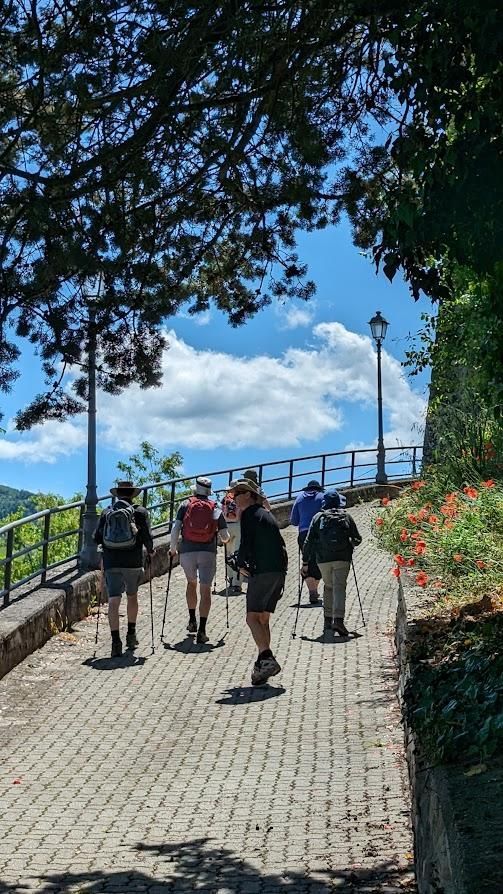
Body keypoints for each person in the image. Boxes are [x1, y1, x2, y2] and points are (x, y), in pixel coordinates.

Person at [231, 478, 288, 686]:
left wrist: (238, 563)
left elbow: (246, 543)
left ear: (248, 495)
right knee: (263, 619)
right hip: (278, 571)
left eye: (237, 494)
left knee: (252, 618)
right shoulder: (266, 514)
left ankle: (266, 658)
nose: (234, 498)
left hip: (262, 572)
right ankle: (262, 664)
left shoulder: (249, 514)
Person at [94, 480, 155, 657]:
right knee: (132, 596)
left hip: (112, 561)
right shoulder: (140, 512)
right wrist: (150, 551)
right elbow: (146, 537)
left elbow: (96, 538)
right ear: (132, 495)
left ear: (117, 494)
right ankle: (131, 633)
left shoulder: (107, 512)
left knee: (113, 600)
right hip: (133, 561)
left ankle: (115, 642)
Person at [169, 476, 229, 644]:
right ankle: (202, 630)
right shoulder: (215, 507)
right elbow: (224, 536)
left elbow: (175, 529)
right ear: (209, 491)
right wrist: (225, 540)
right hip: (208, 552)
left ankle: (191, 620)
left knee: (191, 583)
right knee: (205, 589)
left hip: (187, 551)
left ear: (195, 489)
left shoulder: (185, 504)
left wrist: (173, 549)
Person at [301, 490, 362, 636]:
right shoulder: (346, 516)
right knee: (339, 587)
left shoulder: (318, 517)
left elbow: (308, 541)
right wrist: (349, 545)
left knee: (328, 587)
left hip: (323, 560)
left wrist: (305, 563)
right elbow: (357, 538)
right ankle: (338, 621)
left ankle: (328, 620)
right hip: (342, 558)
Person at [290, 480, 325, 603]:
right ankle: (314, 590)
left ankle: (312, 591)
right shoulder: (322, 497)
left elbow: (294, 521)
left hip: (304, 533)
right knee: (320, 561)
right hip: (320, 533)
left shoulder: (299, 499)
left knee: (307, 562)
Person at [221, 491, 242, 595]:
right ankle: (237, 583)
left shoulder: (225, 499)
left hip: (226, 527)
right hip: (237, 526)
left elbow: (221, 514)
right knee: (237, 554)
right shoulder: (239, 498)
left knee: (228, 554)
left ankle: (230, 577)